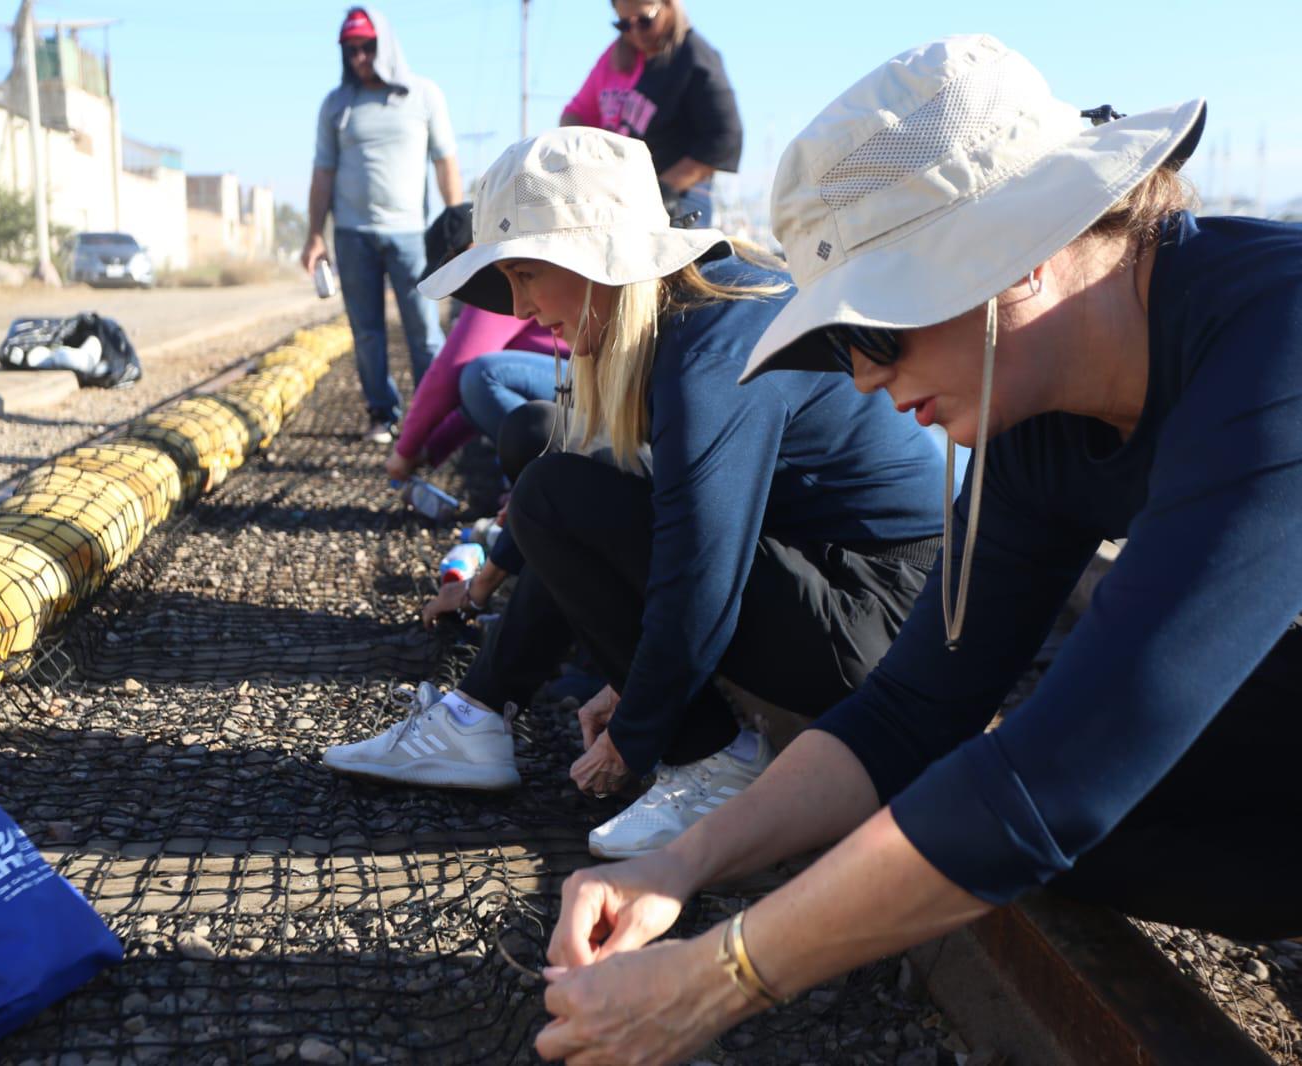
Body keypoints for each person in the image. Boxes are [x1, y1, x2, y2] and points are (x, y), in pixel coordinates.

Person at [532, 36, 1302, 1065]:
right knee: (982, 805)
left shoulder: (1273, 342)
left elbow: (1060, 780)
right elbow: (911, 710)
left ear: (1016, 249)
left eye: (872, 331)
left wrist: (718, 978)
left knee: (1037, 797)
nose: (855, 378)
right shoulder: (1037, 415)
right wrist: (682, 862)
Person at [322, 128, 946, 863]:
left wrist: (639, 727)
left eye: (526, 274)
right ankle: (478, 715)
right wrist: (629, 675)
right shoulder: (688, 313)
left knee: (555, 493)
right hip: (833, 577)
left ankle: (714, 762)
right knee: (557, 474)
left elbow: (699, 572)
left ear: (594, 260)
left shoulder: (714, 354)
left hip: (880, 614)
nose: (520, 307)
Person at [301, 6, 462, 445]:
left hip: (410, 235)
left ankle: (432, 417)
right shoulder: (336, 105)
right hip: (353, 236)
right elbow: (323, 174)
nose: (358, 58)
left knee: (424, 329)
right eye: (350, 50)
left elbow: (445, 161)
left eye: (367, 47)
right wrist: (316, 234)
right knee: (367, 332)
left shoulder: (423, 95)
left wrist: (458, 220)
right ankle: (382, 413)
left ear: (386, 44)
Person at [387, 204, 559, 484]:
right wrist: (431, 450)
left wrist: (404, 451)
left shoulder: (499, 273)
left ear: (470, 249)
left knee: (484, 374)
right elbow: (471, 404)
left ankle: (546, 477)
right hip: (569, 380)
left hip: (580, 380)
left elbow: (451, 370)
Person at [559, 0, 742, 226]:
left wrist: (662, 188)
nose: (635, 33)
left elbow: (725, 136)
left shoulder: (694, 56)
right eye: (624, 25)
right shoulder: (614, 58)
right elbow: (575, 115)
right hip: (620, 199)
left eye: (645, 21)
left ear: (668, 5)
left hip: (679, 197)